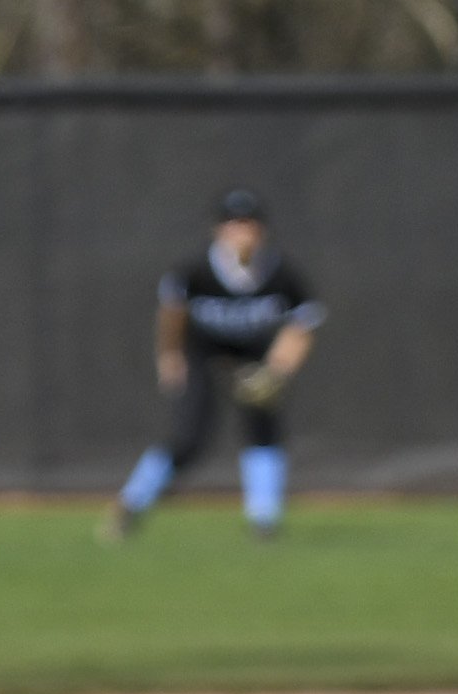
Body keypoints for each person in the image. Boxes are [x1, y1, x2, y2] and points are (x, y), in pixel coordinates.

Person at [108, 188, 321, 544]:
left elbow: (304, 324)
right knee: (189, 437)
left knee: (264, 431)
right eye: (233, 225)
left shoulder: (281, 273)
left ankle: (264, 521)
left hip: (252, 355)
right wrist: (170, 356)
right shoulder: (196, 271)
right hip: (201, 352)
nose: (241, 233)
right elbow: (172, 315)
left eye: (248, 225)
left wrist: (278, 370)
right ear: (218, 230)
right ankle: (131, 503)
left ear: (261, 230)